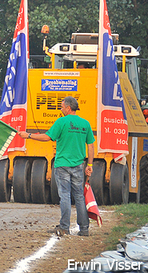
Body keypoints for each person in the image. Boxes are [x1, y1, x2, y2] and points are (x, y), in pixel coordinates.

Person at [17, 96, 95, 237]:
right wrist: (89, 164)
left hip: (62, 165)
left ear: (69, 108)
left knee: (64, 195)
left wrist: (28, 135)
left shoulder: (61, 122)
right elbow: (90, 145)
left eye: (62, 106)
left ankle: (64, 227)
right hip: (78, 165)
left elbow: (47, 137)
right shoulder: (85, 124)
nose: (61, 108)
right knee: (79, 196)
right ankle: (84, 229)